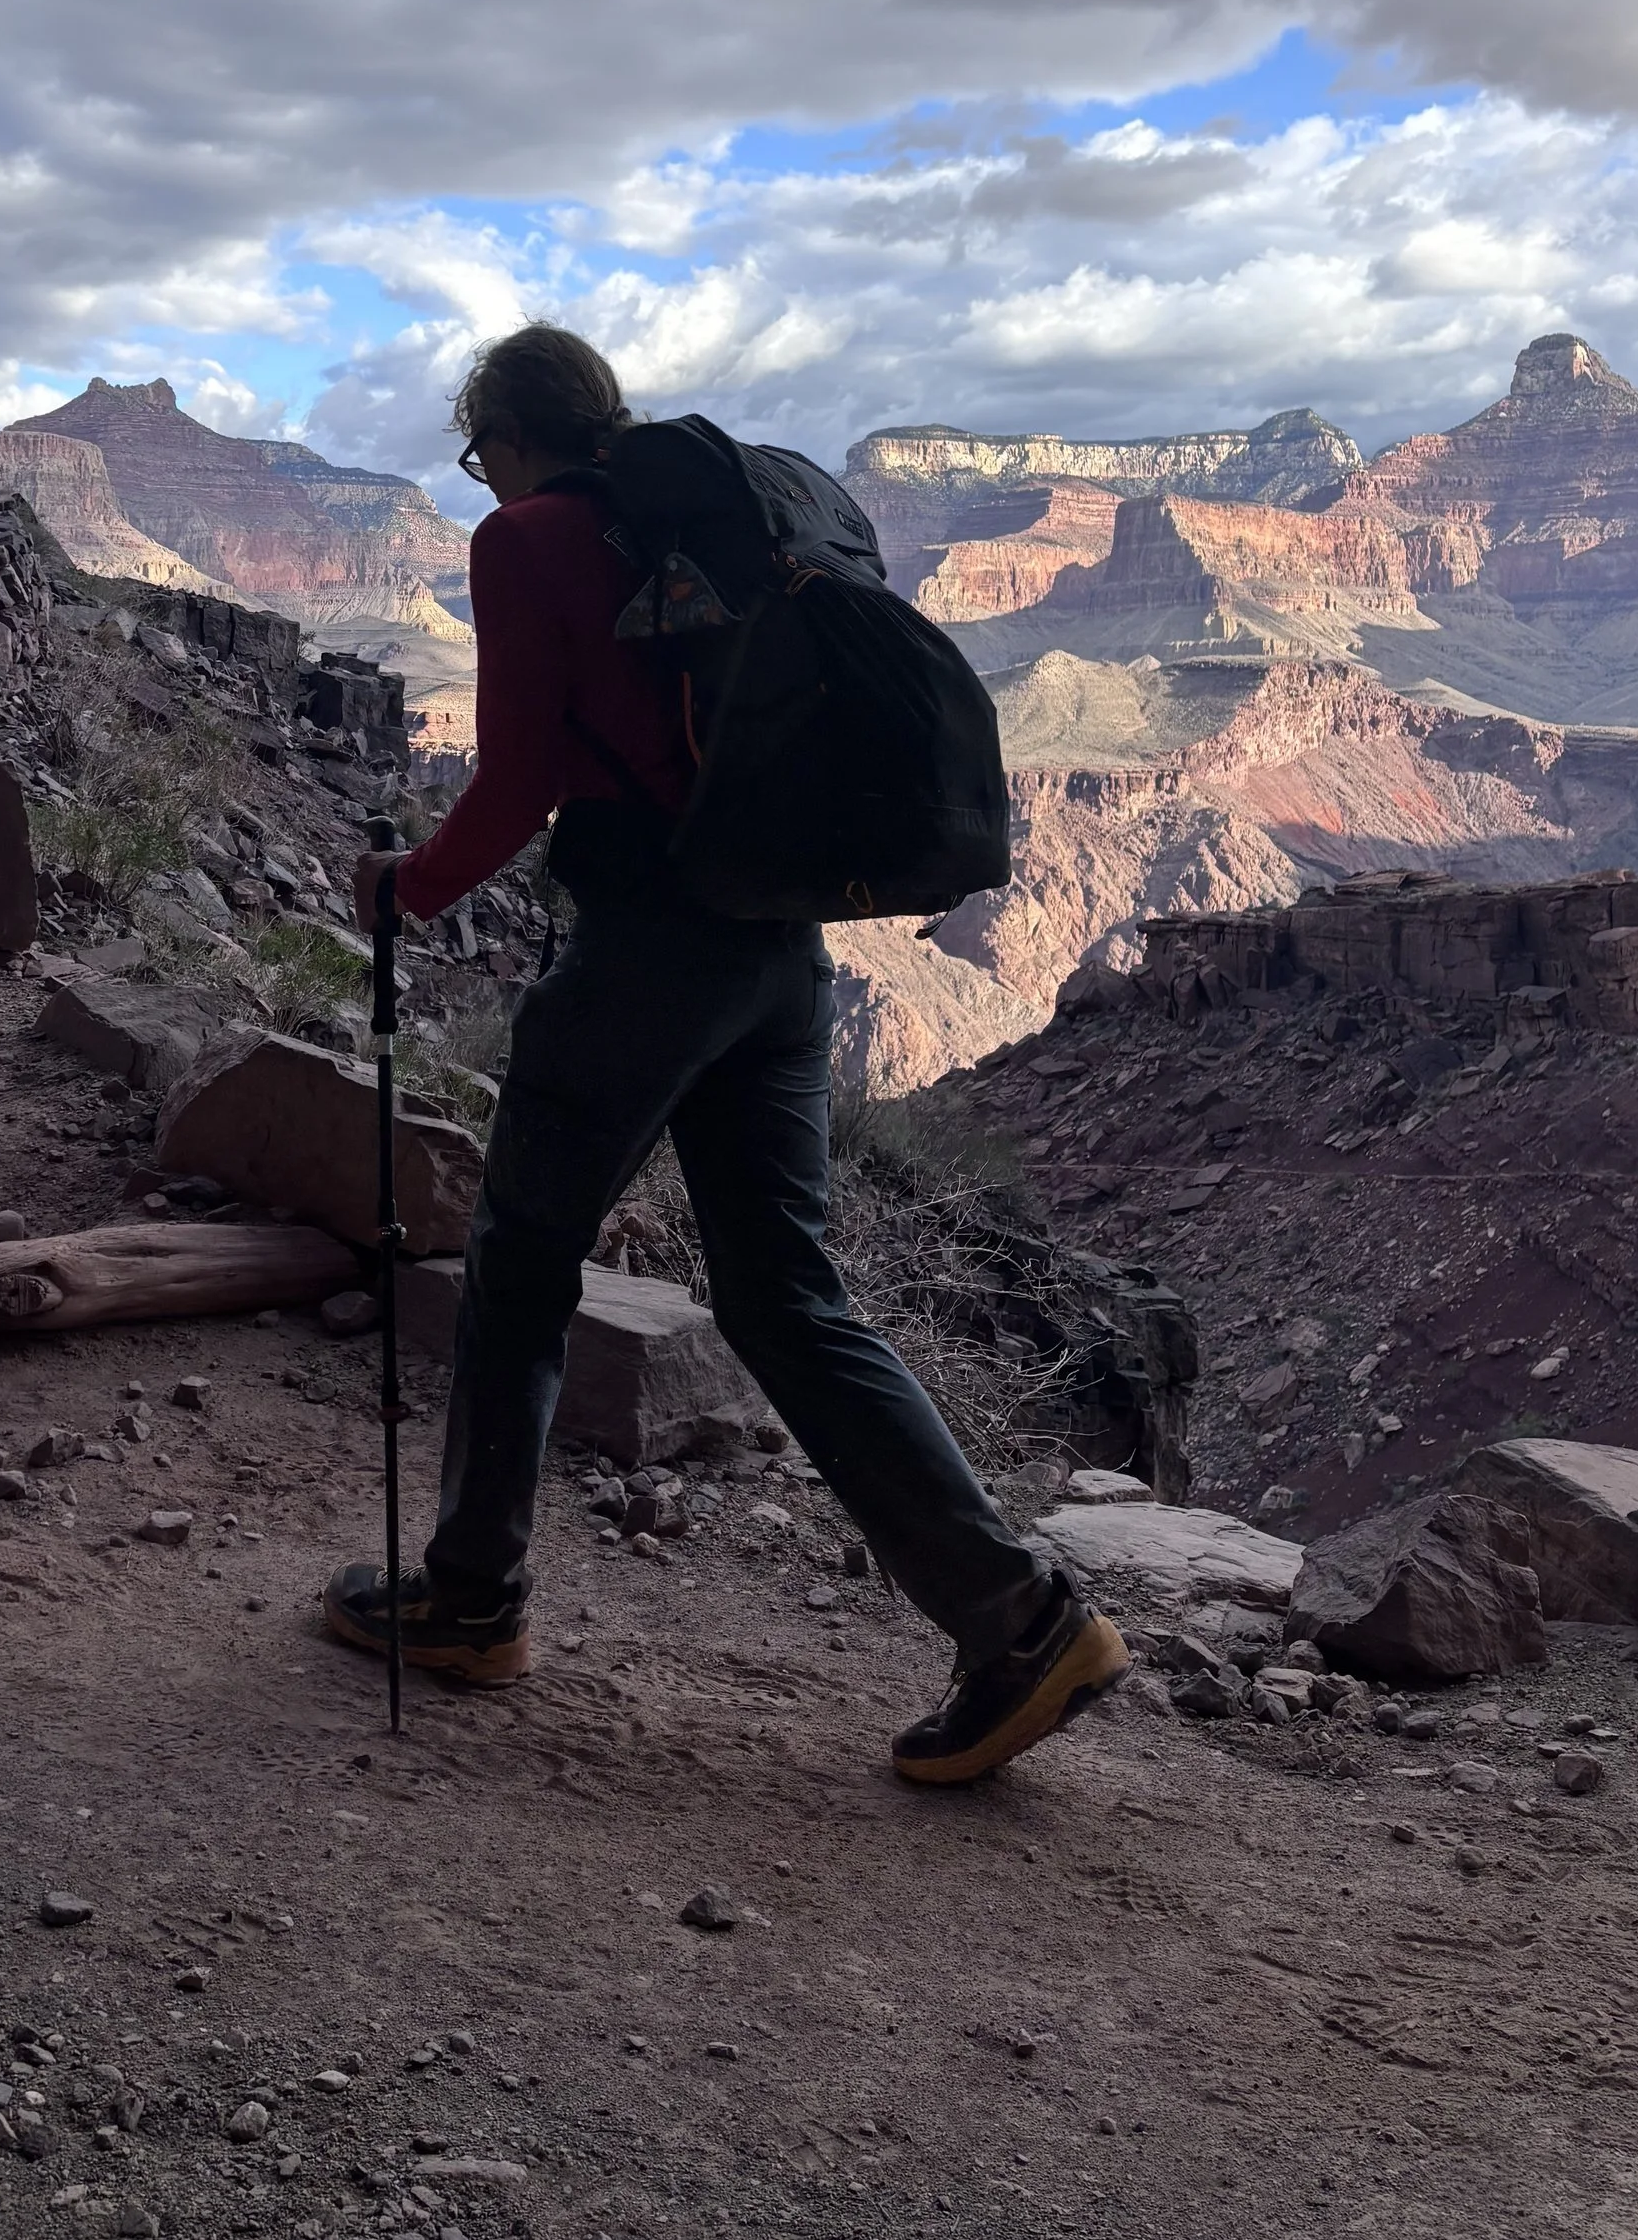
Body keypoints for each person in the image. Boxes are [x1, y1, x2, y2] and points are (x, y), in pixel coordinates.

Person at [320, 324, 1127, 1784]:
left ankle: (473, 1600)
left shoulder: (528, 541)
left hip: (651, 949)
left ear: (506, 438)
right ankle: (1022, 1621)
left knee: (522, 1260)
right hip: (780, 948)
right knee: (785, 1296)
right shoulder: (695, 526)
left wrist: (408, 889)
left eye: (479, 458)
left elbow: (517, 780)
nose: (485, 484)